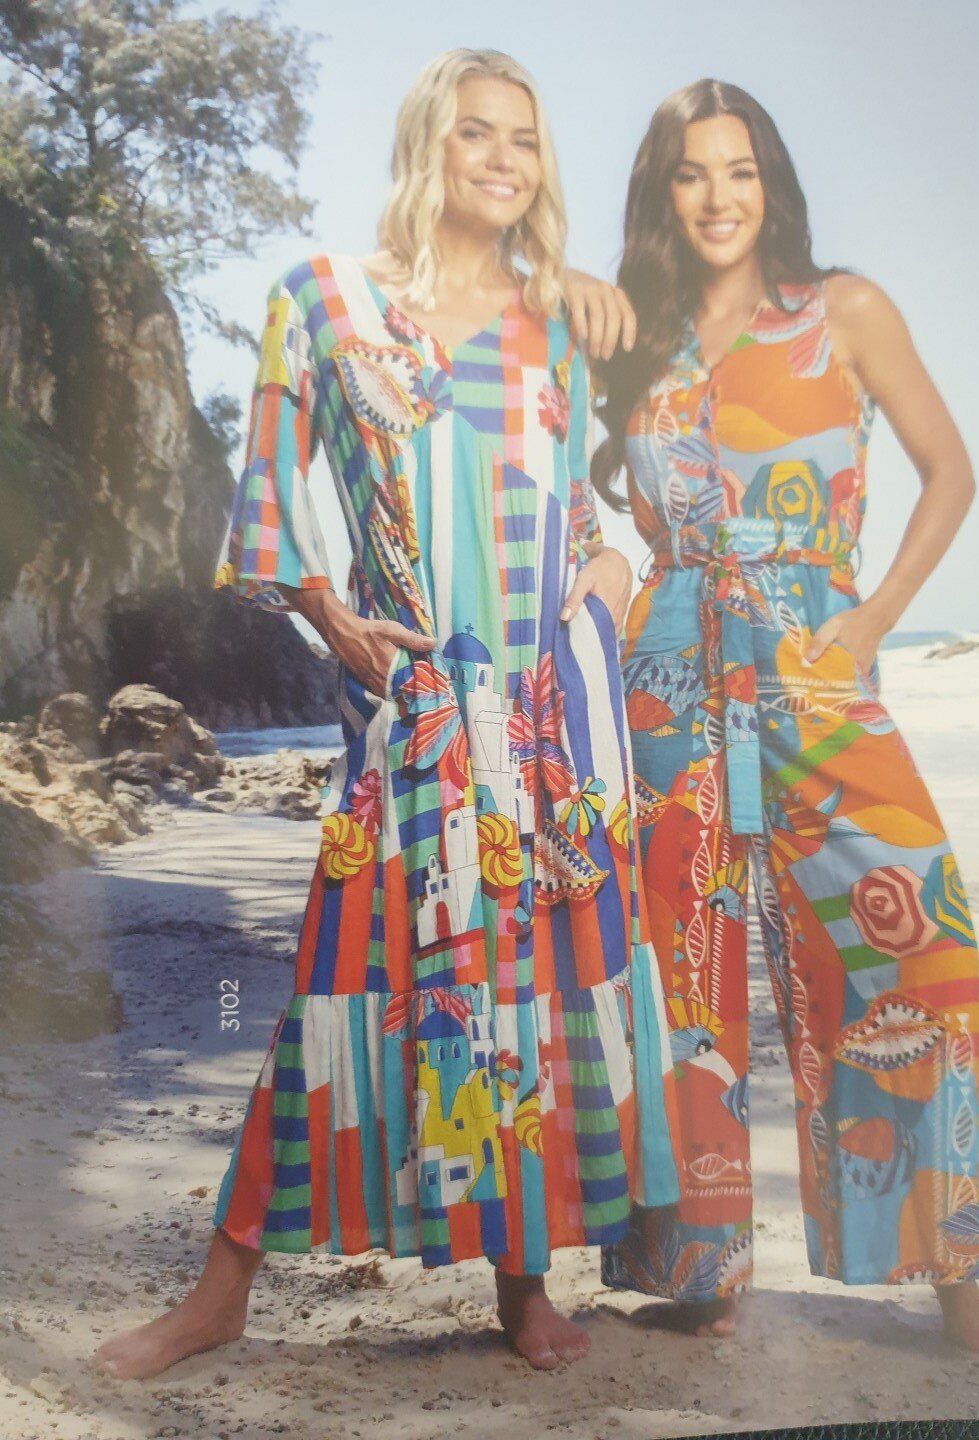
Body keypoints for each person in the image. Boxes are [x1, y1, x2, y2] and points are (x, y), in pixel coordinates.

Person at [92, 47, 681, 1381]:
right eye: (475, 133)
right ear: (428, 145)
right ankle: (223, 1288)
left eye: (524, 140)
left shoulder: (552, 330)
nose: (502, 158)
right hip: (407, 713)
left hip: (541, 728)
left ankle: (522, 1290)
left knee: (523, 999)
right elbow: (264, 496)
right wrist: (324, 609)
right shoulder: (324, 301)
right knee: (338, 987)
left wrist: (593, 616)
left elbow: (588, 524)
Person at [575, 78, 979, 1355]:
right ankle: (695, 1264)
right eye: (691, 174)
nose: (719, 197)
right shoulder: (632, 338)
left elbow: (952, 471)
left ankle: (950, 1264)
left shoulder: (844, 311)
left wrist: (873, 618)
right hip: (669, 673)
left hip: (817, 667)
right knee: (681, 973)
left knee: (912, 948)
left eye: (741, 170)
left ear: (773, 185)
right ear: (663, 193)